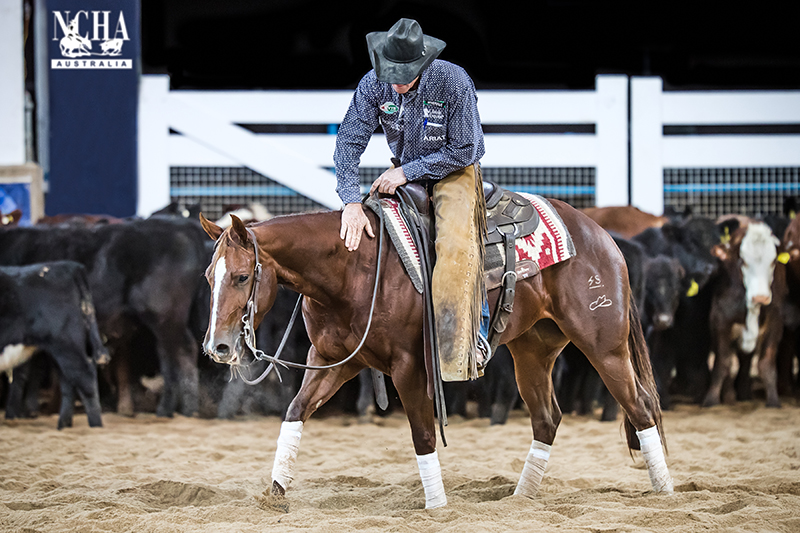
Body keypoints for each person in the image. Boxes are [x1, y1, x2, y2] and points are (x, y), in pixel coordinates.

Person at [333, 18, 487, 382]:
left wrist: (407, 171)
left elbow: (468, 148)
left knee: (454, 246)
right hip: (402, 171)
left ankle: (459, 348)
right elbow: (348, 141)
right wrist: (351, 201)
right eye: (391, 72)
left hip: (453, 173)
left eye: (406, 73)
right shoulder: (374, 84)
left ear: (424, 62)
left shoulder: (453, 80)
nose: (397, 81)